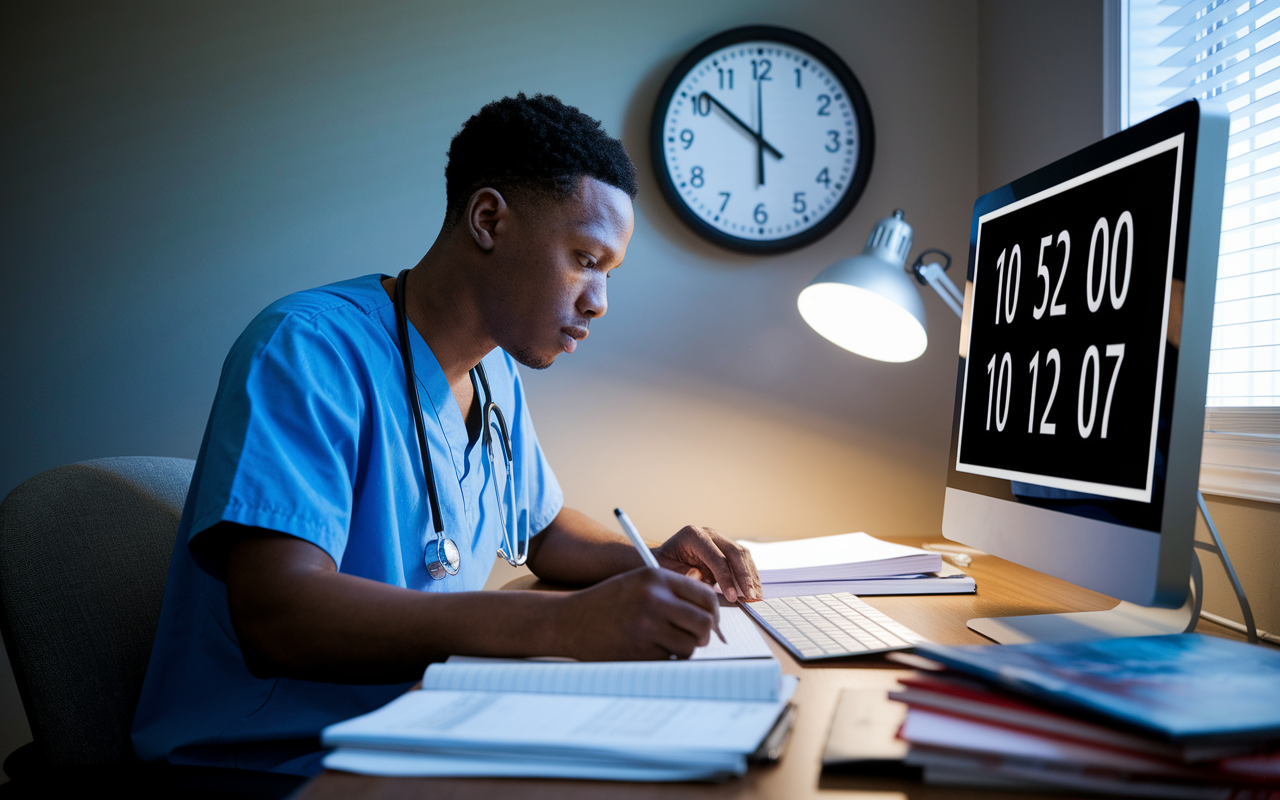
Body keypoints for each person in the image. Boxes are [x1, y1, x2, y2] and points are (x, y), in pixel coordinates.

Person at [130, 93, 762, 777]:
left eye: (609, 274)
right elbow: (278, 615)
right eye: (585, 258)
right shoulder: (307, 350)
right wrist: (564, 625)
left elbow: (545, 532)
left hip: (421, 728)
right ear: (488, 219)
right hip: (278, 765)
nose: (598, 301)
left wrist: (651, 560)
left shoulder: (493, 375)